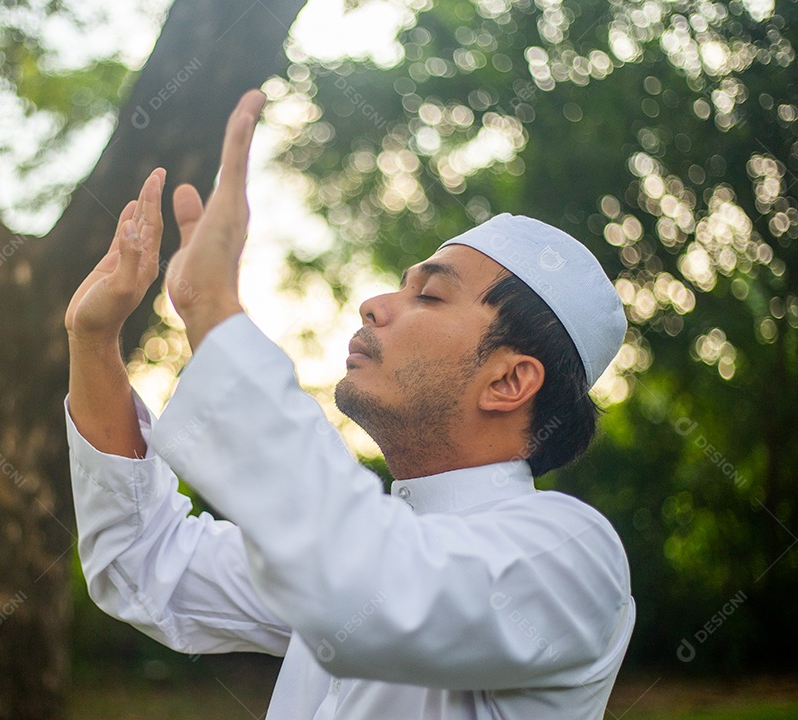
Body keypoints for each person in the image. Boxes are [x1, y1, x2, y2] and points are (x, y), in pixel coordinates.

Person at [64, 89, 635, 719]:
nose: (376, 304)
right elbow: (144, 567)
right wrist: (92, 342)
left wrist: (215, 315)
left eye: (431, 297)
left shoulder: (571, 557)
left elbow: (363, 581)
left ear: (508, 382)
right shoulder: (359, 541)